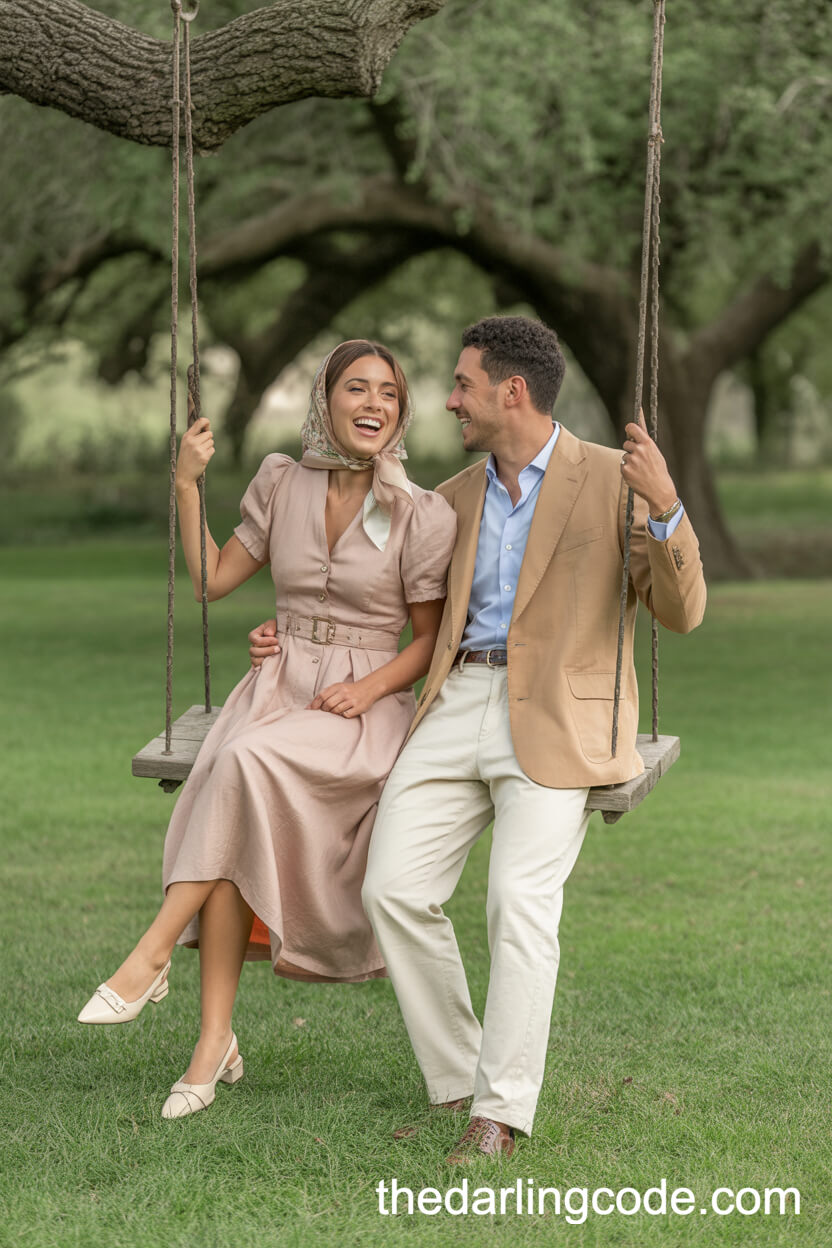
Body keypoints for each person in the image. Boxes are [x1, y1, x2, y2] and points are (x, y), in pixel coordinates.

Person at [253, 315, 707, 1163]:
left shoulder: (613, 480)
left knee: (516, 905)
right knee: (390, 889)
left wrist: (667, 506)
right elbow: (370, 597)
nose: (449, 400)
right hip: (456, 697)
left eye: (461, 384)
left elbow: (680, 613)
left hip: (561, 717)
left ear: (512, 391)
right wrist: (285, 639)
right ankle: (461, 1071)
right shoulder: (447, 500)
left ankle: (498, 1114)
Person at [77, 339, 457, 1120]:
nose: (375, 405)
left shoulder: (420, 511)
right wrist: (185, 486)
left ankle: (152, 954)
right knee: (237, 794)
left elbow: (426, 642)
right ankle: (212, 1042)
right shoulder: (282, 480)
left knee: (240, 764)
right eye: (358, 388)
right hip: (277, 687)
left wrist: (369, 685)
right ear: (326, 399)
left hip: (360, 707)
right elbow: (215, 580)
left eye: (389, 393)